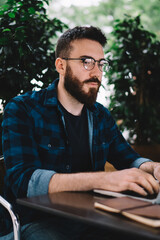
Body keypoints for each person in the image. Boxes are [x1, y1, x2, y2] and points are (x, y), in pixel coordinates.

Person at [1, 26, 160, 240]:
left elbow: (127, 158)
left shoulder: (100, 115)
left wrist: (151, 167)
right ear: (61, 65)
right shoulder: (23, 109)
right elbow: (23, 181)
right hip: (39, 222)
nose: (96, 72)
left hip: (94, 216)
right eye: (86, 62)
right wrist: (102, 180)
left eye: (101, 64)